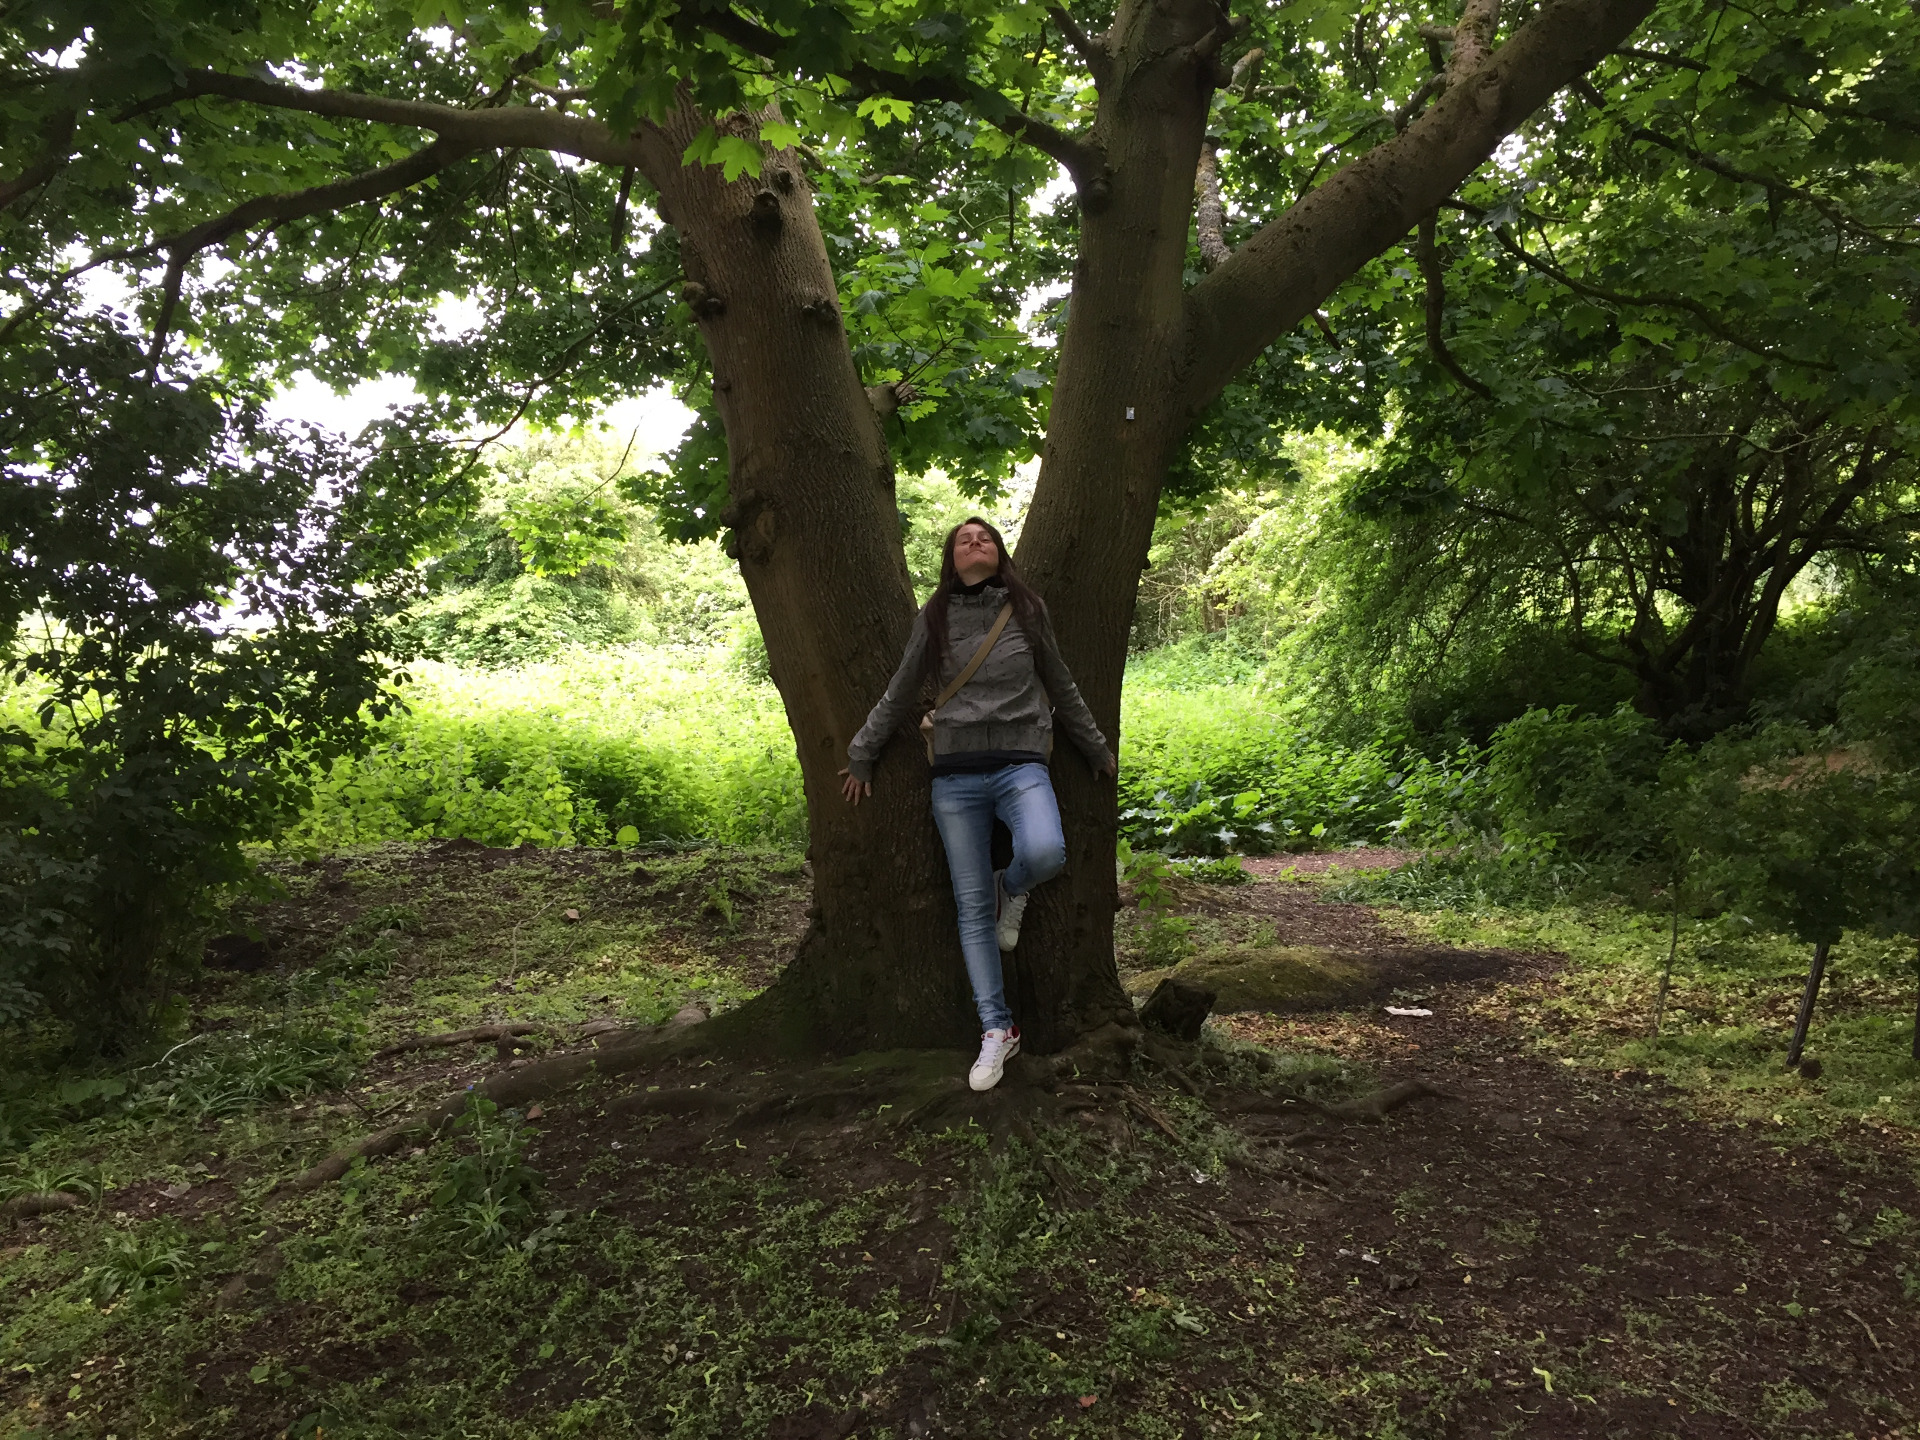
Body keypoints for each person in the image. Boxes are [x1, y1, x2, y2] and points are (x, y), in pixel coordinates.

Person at [839, 518, 1117, 1092]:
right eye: (963, 539)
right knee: (970, 909)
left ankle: (1010, 887)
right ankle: (997, 1028)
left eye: (984, 537)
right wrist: (861, 753)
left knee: (1045, 853)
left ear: (998, 551)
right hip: (955, 775)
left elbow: (1060, 682)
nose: (974, 543)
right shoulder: (935, 615)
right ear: (952, 557)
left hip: (1021, 764)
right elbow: (900, 688)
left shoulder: (1028, 610)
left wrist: (1094, 746)